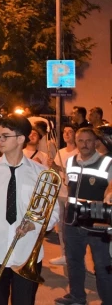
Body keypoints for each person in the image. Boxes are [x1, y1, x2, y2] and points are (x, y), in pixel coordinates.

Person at [0, 115, 59, 305]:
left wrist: (33, 225)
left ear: (21, 139)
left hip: (26, 252)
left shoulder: (40, 172)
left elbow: (54, 212)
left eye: (4, 136)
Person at [56, 127, 112, 305]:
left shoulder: (107, 163)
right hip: (72, 218)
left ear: (95, 142)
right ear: (76, 142)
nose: (85, 144)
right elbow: (68, 185)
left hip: (97, 217)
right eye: (81, 140)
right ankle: (77, 297)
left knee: (102, 265)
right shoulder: (70, 161)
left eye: (89, 140)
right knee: (73, 261)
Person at [49, 124, 77, 266]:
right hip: (59, 193)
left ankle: (74, 255)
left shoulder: (78, 153)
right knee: (60, 226)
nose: (66, 134)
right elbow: (55, 172)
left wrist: (60, 168)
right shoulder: (60, 151)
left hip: (72, 194)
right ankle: (64, 254)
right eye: (65, 132)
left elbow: (75, 173)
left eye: (70, 132)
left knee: (71, 226)